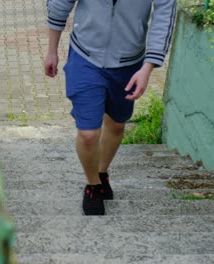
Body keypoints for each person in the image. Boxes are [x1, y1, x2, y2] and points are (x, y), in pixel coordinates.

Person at [44, 0, 177, 215]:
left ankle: (101, 171)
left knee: (116, 124)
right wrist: (51, 50)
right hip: (85, 55)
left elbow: (164, 15)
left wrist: (148, 67)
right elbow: (60, 3)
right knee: (88, 133)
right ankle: (93, 184)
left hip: (129, 62)